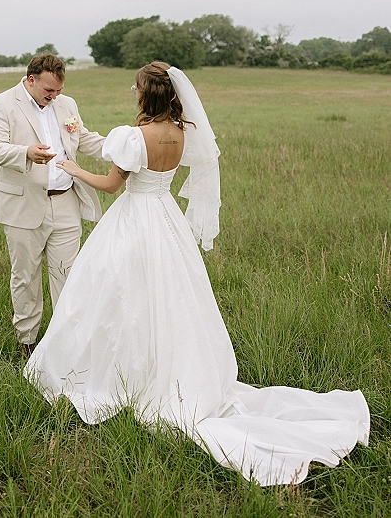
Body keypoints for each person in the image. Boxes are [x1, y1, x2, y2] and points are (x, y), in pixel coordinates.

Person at [24, 61, 369, 486]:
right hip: (166, 218)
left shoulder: (135, 136)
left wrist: (73, 169)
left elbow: (113, 185)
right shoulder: (180, 132)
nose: (132, 93)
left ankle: (117, 374)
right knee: (170, 297)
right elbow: (162, 175)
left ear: (145, 94)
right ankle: (163, 365)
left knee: (118, 296)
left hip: (134, 221)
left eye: (135, 88)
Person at [0, 53, 105, 358]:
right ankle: (27, 341)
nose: (53, 97)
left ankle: (65, 343)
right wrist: (26, 152)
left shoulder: (67, 105)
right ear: (32, 79)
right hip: (24, 205)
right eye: (48, 91)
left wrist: (121, 149)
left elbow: (83, 138)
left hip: (66, 202)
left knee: (68, 273)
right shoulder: (1, 103)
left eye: (58, 91)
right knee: (26, 275)